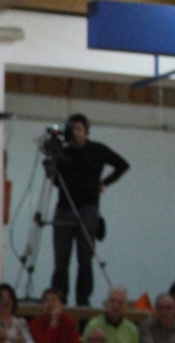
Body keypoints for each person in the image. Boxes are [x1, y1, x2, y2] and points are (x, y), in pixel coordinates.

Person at [45, 114, 126, 308]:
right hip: (64, 207)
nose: (75, 132)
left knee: (85, 258)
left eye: (79, 128)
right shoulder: (63, 153)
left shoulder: (98, 150)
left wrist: (104, 183)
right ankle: (59, 298)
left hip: (88, 208)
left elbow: (122, 165)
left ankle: (83, 300)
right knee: (61, 259)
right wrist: (50, 168)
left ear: (86, 130)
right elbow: (57, 182)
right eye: (72, 128)